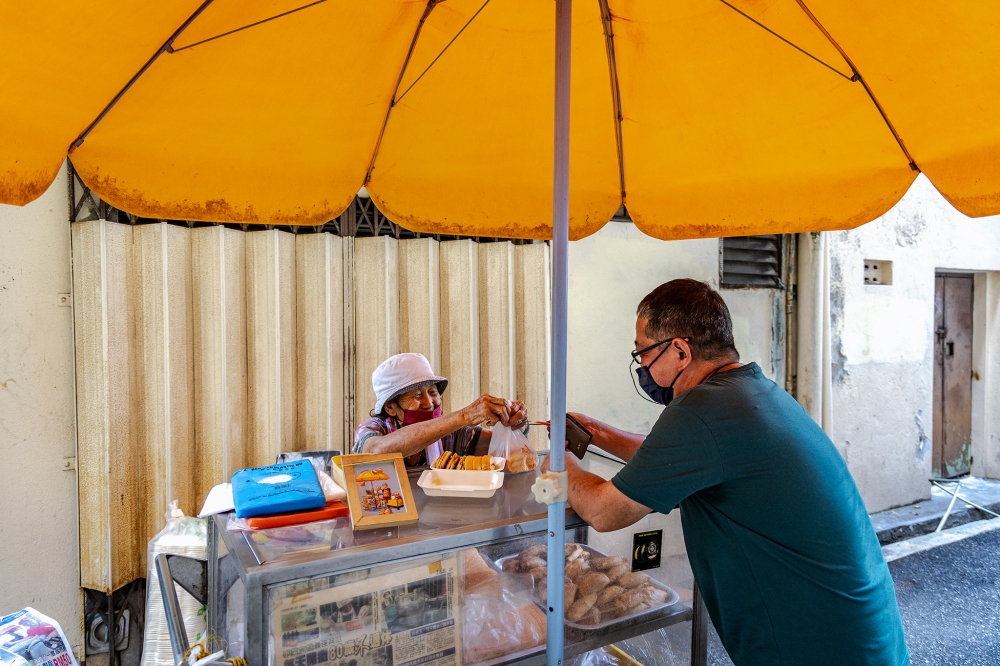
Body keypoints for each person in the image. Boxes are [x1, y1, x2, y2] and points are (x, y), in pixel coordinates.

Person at [546, 279, 908, 666]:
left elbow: (604, 512)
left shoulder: (700, 411)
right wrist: (594, 433)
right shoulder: (750, 392)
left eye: (643, 353)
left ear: (680, 351)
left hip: (815, 645)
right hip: (863, 633)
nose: (642, 367)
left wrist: (558, 462)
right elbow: (668, 455)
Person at [354, 352, 528, 468]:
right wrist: (465, 415)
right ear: (391, 407)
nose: (429, 403)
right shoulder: (372, 429)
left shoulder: (452, 432)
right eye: (417, 396)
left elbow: (502, 447)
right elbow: (375, 452)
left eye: (432, 392)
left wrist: (513, 423)